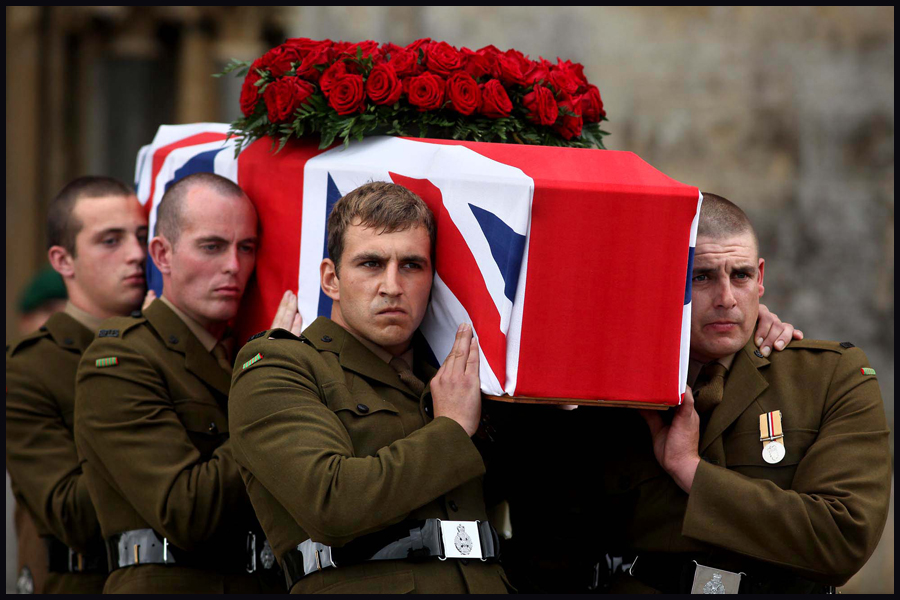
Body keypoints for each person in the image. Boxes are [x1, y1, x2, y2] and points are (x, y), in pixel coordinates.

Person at [229, 181, 512, 594]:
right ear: (331, 279)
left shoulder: (454, 380)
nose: (393, 286)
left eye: (412, 265)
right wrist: (450, 427)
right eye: (371, 264)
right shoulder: (280, 366)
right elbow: (332, 503)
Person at [603, 193, 892, 593]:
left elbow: (842, 539)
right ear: (667, 276)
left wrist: (692, 471)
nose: (726, 298)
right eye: (700, 276)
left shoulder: (829, 376)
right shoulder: (617, 384)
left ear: (759, 277)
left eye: (739, 275)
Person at [73, 172, 299, 593]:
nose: (234, 266)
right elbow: (187, 512)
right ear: (162, 253)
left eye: (246, 248)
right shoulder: (122, 360)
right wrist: (270, 385)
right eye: (211, 247)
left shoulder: (239, 355)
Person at [6, 177, 149, 593]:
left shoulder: (168, 347)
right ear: (63, 260)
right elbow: (70, 513)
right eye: (111, 241)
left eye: (142, 237)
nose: (137, 254)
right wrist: (165, 465)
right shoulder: (32, 368)